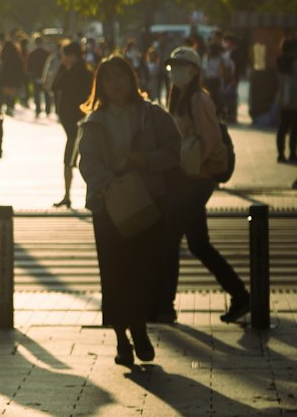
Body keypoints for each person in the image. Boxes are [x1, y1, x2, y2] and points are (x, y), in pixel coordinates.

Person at [76, 52, 180, 367]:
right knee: (115, 273)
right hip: (109, 205)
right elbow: (88, 163)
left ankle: (139, 326)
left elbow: (173, 151)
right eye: (108, 78)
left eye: (121, 76)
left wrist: (145, 160)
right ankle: (125, 337)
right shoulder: (94, 121)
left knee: (145, 270)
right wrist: (108, 184)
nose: (115, 84)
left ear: (131, 79)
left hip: (147, 201)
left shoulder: (152, 115)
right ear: (101, 85)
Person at [164, 46, 249, 324]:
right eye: (171, 66)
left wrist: (193, 164)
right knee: (198, 244)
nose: (174, 71)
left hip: (195, 180)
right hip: (189, 180)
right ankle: (240, 296)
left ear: (194, 70)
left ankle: (164, 305)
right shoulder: (180, 97)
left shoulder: (198, 99)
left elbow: (210, 137)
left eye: (180, 66)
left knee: (172, 238)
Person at [51, 37, 92, 209]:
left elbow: (55, 87)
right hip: (76, 121)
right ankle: (72, 195)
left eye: (65, 55)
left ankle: (73, 195)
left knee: (78, 158)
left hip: (77, 121)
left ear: (73, 56)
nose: (63, 58)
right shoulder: (77, 72)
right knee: (78, 158)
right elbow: (54, 87)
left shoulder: (78, 73)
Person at [277, 34, 297, 173]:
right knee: (294, 128)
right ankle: (292, 153)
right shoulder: (294, 63)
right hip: (294, 99)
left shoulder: (278, 61)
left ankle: (280, 154)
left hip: (282, 98)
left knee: (282, 127)